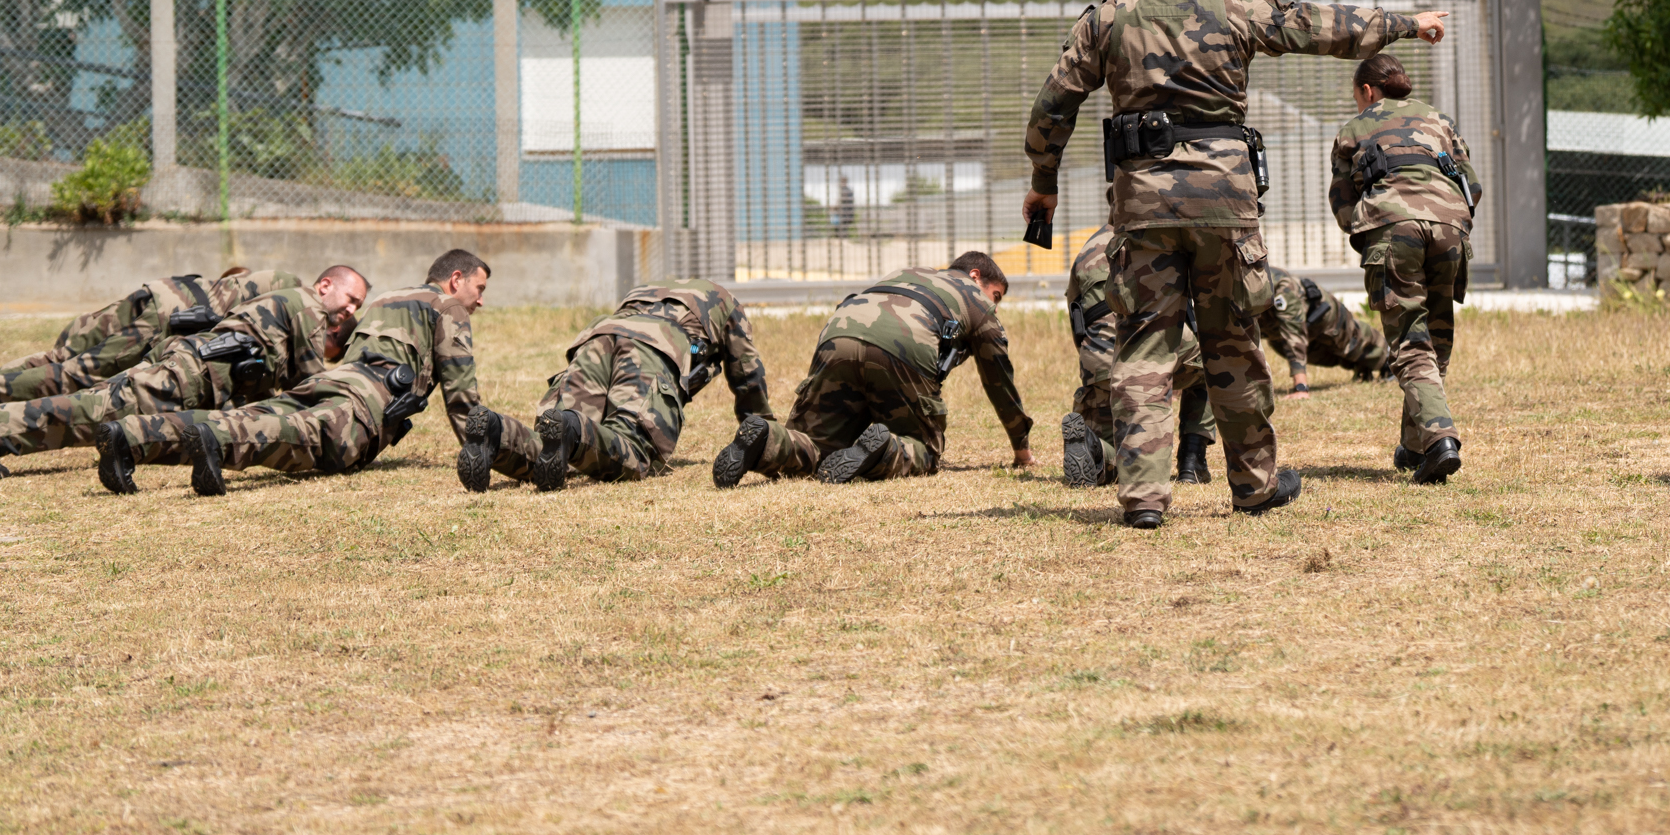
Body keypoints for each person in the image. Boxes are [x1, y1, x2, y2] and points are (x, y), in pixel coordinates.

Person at [1020, 0, 1447, 529]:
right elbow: (1326, 26)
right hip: (1224, 202)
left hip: (1142, 206)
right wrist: (1410, 23)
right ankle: (1253, 484)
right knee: (1232, 341)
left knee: (1145, 343)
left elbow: (1052, 105)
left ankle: (1143, 496)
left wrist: (1044, 184)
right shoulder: (1237, 10)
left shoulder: (1108, 17)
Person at [94, 249, 490, 496]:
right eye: (480, 288)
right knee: (296, 434)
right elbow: (462, 400)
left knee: (246, 416)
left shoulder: (388, 298)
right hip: (359, 405)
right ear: (456, 280)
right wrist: (483, 450)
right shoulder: (448, 308)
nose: (481, 301)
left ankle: (128, 436)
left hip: (328, 381)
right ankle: (217, 437)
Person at [0, 267, 368, 480]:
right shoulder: (307, 306)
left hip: (187, 366)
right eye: (350, 299)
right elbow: (311, 386)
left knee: (92, 401)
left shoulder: (284, 298)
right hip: (189, 374)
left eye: (357, 308)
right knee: (92, 407)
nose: (349, 311)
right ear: (327, 285)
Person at [711, 251, 1031, 486]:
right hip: (903, 344)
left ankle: (765, 439)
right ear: (976, 276)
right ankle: (883, 449)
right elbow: (998, 377)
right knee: (925, 450)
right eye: (997, 295)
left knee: (814, 444)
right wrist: (1021, 450)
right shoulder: (975, 298)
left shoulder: (908, 271)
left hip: (839, 333)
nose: (996, 305)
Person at [454, 278, 772, 492]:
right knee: (632, 450)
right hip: (653, 344)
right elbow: (748, 375)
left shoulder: (646, 289)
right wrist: (764, 435)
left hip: (598, 335)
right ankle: (571, 430)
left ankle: (495, 433)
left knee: (556, 448)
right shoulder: (726, 301)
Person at [0, 267, 304, 435]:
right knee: (74, 375)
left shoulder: (265, 277)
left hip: (155, 294)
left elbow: (229, 282)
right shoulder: (293, 294)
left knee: (58, 360)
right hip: (163, 320)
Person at [1329, 52, 1479, 484]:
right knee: (1436, 340)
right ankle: (1415, 447)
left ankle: (1440, 441)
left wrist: (1370, 227)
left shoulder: (1353, 130)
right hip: (1450, 227)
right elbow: (1475, 185)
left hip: (1394, 230)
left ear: (1368, 91)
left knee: (1411, 344)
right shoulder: (1440, 121)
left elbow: (1342, 206)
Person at [1058, 223, 1216, 489]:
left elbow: (1078, 316)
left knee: (1117, 455)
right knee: (1212, 367)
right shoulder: (1159, 233)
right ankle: (1192, 461)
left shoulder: (1087, 248)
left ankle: (1095, 447)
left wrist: (1095, 366)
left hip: (1098, 358)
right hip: (1156, 344)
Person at [1258, 271, 1387, 395]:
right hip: (1278, 330)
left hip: (1323, 317)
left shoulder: (1281, 289)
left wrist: (1300, 387)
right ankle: (1364, 369)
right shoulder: (1240, 290)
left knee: (1351, 343)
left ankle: (1390, 361)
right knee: (1330, 357)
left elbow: (1294, 333)